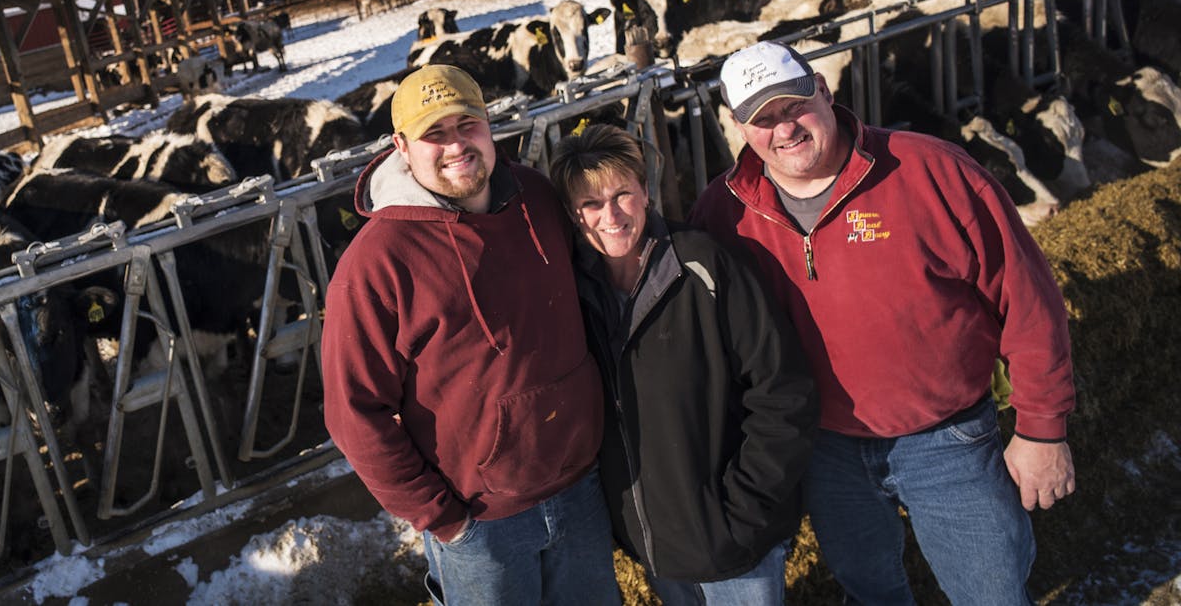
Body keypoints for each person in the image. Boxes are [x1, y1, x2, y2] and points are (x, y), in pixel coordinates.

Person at [690, 40, 1077, 605]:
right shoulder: (725, 211)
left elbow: (1028, 298)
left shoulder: (928, 170)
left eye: (793, 105)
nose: (784, 129)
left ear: (822, 89)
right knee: (869, 589)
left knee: (991, 592)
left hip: (947, 441)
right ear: (738, 126)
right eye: (762, 118)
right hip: (824, 449)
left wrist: (1043, 427)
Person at [321, 64, 620, 606]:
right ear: (402, 147)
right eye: (435, 134)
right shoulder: (376, 263)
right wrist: (442, 518)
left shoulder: (537, 197)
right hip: (481, 522)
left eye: (468, 125)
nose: (456, 146)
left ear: (489, 125)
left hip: (579, 489)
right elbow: (353, 413)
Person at [549, 124, 818, 606]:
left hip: (733, 537)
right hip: (653, 545)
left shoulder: (703, 264)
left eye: (622, 194)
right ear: (574, 214)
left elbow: (782, 389)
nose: (610, 215)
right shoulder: (574, 294)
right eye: (591, 203)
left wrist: (745, 508)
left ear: (646, 192)